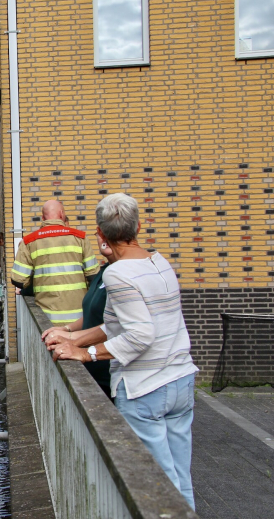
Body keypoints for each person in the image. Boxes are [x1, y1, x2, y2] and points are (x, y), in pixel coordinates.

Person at [45, 193, 199, 509]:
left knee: (156, 485)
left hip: (146, 388)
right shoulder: (160, 262)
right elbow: (116, 324)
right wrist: (73, 338)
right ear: (138, 226)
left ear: (100, 234)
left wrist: (86, 355)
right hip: (181, 381)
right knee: (180, 480)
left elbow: (140, 335)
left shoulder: (117, 274)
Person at [40, 232, 115, 398]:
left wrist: (82, 349)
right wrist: (67, 330)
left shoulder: (121, 278)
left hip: (109, 372)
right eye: (101, 233)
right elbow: (93, 315)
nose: (104, 238)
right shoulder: (103, 274)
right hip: (94, 370)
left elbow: (119, 329)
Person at [10, 200, 100, 324]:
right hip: (78, 321)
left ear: (42, 218)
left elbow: (18, 280)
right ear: (62, 214)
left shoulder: (29, 241)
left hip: (46, 321)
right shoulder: (80, 238)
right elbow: (94, 276)